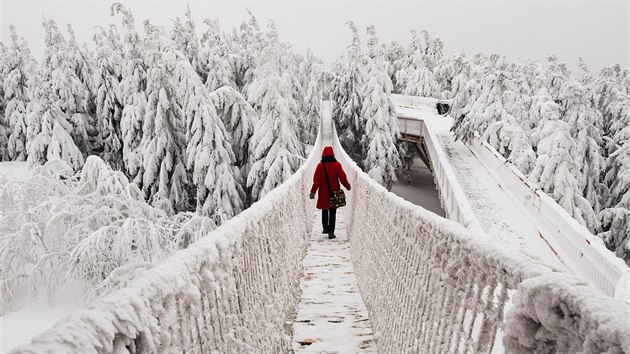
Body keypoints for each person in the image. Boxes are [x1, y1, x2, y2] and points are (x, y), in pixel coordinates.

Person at [309, 146, 351, 239]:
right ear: (333, 155)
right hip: (334, 193)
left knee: (324, 210)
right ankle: (331, 232)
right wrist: (347, 186)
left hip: (323, 193)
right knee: (333, 212)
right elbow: (342, 178)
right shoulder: (337, 165)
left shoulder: (320, 166)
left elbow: (316, 181)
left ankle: (325, 228)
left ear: (323, 155)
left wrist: (313, 192)